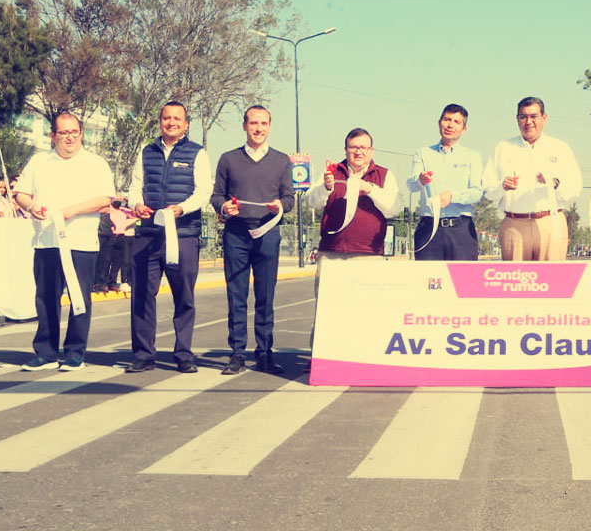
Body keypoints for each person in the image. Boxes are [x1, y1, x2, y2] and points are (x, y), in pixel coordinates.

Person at [12, 112, 115, 371]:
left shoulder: (96, 163)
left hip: (80, 241)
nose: (70, 137)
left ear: (81, 134)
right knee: (46, 297)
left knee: (79, 299)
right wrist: (31, 205)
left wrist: (74, 210)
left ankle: (75, 353)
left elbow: (105, 199)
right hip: (46, 241)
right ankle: (45, 353)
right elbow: (21, 194)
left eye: (74, 132)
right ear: (53, 136)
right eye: (64, 133)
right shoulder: (39, 161)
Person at [127, 101, 213, 373]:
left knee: (184, 297)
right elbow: (134, 188)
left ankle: (184, 354)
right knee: (142, 295)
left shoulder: (197, 154)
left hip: (183, 235)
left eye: (177, 118)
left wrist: (182, 208)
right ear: (160, 121)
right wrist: (136, 205)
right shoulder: (145, 152)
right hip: (147, 235)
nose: (171, 122)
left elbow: (202, 193)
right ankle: (143, 354)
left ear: (186, 124)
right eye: (166, 117)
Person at [211, 105, 295, 375]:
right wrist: (224, 207)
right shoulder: (228, 159)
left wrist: (279, 205)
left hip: (267, 234)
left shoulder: (282, 161)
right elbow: (216, 196)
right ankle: (237, 353)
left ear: (270, 126)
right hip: (236, 234)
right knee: (236, 295)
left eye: (264, 123)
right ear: (244, 126)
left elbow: (290, 199)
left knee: (265, 296)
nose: (259, 128)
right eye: (253, 123)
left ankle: (264, 352)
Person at [482, 97, 583, 261]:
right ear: (517, 119)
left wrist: (555, 183)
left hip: (550, 223)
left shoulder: (560, 148)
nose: (528, 122)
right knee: (515, 283)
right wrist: (502, 186)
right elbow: (487, 190)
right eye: (523, 117)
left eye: (533, 116)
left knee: (552, 282)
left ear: (544, 118)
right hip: (514, 225)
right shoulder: (504, 148)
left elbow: (574, 190)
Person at [307, 128, 400, 258]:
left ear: (371, 150)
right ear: (345, 150)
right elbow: (312, 202)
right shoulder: (332, 172)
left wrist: (370, 189)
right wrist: (325, 188)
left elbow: (393, 209)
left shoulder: (385, 175)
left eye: (363, 147)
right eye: (353, 147)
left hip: (370, 255)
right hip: (331, 253)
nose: (358, 152)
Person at [407, 104, 483, 260]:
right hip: (429, 228)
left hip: (461, 230)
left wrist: (452, 197)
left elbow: (477, 193)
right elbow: (411, 184)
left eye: (457, 122)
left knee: (463, 281)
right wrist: (420, 179)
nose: (450, 125)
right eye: (447, 119)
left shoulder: (472, 156)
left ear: (464, 129)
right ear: (439, 122)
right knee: (427, 281)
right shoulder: (423, 153)